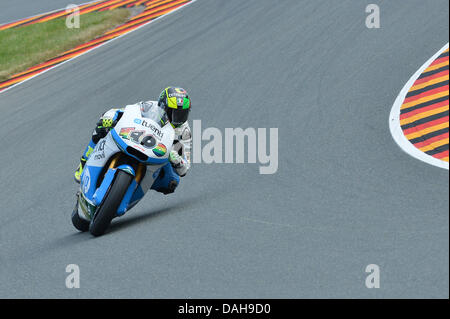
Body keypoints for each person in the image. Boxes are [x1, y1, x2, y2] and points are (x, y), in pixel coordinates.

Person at [74, 87, 192, 194]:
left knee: (172, 182)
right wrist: (109, 118)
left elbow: (184, 168)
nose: (177, 119)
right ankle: (84, 163)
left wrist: (177, 160)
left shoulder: (184, 131)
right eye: (173, 113)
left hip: (157, 157)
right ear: (162, 107)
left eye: (182, 114)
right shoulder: (149, 106)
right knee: (101, 128)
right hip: (134, 138)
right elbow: (122, 112)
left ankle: (133, 188)